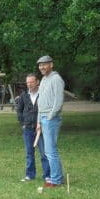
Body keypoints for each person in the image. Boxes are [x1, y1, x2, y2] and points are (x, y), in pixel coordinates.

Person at [36, 55, 64, 187]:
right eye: (40, 65)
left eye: (44, 64)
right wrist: (39, 120)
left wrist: (50, 116)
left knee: (51, 151)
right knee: (49, 151)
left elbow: (58, 102)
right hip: (43, 118)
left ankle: (56, 180)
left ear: (51, 64)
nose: (41, 67)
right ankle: (56, 178)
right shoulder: (43, 79)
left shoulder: (56, 79)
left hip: (51, 119)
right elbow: (40, 102)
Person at [16, 73, 50, 182]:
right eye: (28, 82)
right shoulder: (24, 96)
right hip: (28, 129)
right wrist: (22, 123)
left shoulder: (43, 94)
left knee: (44, 153)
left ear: (37, 82)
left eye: (31, 82)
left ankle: (47, 176)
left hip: (41, 129)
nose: (29, 84)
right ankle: (30, 175)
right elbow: (19, 110)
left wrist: (44, 123)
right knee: (29, 153)